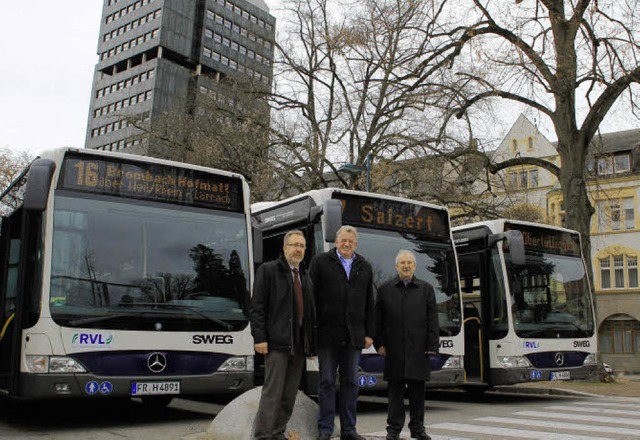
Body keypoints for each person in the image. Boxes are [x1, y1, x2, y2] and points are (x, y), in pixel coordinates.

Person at [250, 230, 317, 440]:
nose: (298, 249)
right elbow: (257, 307)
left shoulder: (304, 275)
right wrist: (260, 337)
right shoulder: (268, 271)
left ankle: (277, 432)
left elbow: (310, 314)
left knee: (289, 395)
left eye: (302, 246)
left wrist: (311, 346)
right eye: (295, 245)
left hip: (298, 345)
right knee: (273, 393)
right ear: (285, 247)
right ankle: (262, 435)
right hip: (276, 344)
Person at [309, 225, 375, 440]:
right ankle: (325, 430)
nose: (347, 244)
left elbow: (369, 303)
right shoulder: (320, 262)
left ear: (355, 244)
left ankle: (349, 430)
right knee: (327, 382)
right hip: (327, 335)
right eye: (343, 240)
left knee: (351, 383)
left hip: (354, 336)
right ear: (336, 242)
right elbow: (311, 300)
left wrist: (369, 334)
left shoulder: (365, 266)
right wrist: (311, 333)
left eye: (351, 241)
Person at [374, 250, 439, 440]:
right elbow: (378, 321)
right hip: (394, 350)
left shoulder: (426, 289)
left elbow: (432, 320)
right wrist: (379, 343)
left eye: (410, 262)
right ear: (396, 266)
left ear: (414, 266)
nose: (406, 265)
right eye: (402, 262)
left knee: (418, 393)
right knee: (395, 393)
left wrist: (432, 345)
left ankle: (418, 429)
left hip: (419, 350)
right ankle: (393, 430)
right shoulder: (385, 289)